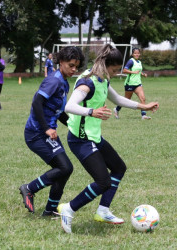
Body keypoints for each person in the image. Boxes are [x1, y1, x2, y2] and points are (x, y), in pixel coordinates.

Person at [57, 44, 159, 233]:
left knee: (119, 168)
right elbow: (69, 106)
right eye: (113, 69)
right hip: (80, 140)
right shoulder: (88, 81)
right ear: (105, 64)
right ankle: (69, 209)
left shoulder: (103, 79)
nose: (115, 73)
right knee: (103, 181)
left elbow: (118, 100)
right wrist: (91, 112)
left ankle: (103, 211)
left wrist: (143, 107)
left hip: (93, 137)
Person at [19, 46, 85, 216]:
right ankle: (29, 188)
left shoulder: (63, 82)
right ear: (60, 62)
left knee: (64, 169)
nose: (74, 69)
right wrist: (47, 128)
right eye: (71, 65)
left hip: (47, 133)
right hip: (37, 134)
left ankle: (50, 210)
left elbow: (58, 112)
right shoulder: (54, 81)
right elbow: (37, 103)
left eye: (76, 66)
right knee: (65, 167)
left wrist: (73, 124)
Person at [114, 48, 150, 120]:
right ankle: (116, 109)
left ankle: (143, 115)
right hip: (130, 84)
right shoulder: (131, 61)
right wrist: (133, 72)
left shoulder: (139, 62)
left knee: (143, 98)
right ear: (132, 54)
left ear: (139, 54)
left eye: (138, 53)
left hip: (138, 84)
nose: (137, 54)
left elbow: (138, 71)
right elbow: (124, 70)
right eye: (135, 53)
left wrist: (142, 74)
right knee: (126, 100)